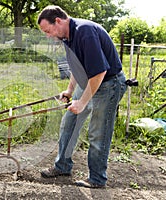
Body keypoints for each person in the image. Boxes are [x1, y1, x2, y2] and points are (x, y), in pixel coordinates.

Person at [37, 5, 127, 188]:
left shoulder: (84, 32)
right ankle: (62, 166)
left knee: (98, 132)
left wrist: (83, 101)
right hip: (89, 81)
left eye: (48, 30)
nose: (48, 35)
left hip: (108, 84)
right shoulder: (67, 37)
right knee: (69, 122)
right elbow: (77, 67)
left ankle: (97, 179)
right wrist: (70, 91)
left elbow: (100, 72)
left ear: (58, 21)